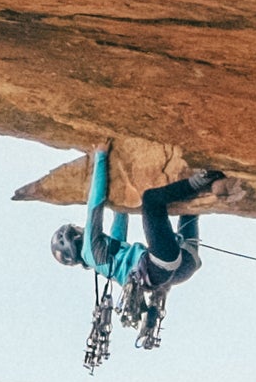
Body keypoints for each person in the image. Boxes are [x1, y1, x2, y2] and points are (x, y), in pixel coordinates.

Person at [51, 150, 231, 365]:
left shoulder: (105, 261)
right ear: (76, 237)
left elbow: (120, 217)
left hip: (181, 269)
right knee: (152, 200)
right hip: (161, 264)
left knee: (188, 208)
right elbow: (94, 206)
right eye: (78, 230)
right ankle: (205, 177)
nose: (82, 228)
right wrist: (101, 157)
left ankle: (217, 185)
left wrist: (122, 181)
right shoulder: (91, 250)